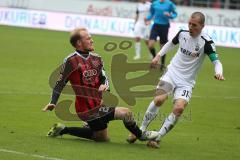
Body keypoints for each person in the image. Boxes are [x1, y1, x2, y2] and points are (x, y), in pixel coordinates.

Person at [42, 27, 159, 142]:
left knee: (126, 113)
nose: (92, 40)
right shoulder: (71, 61)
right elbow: (60, 83)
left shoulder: (96, 58)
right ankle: (64, 130)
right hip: (86, 110)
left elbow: (104, 78)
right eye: (88, 38)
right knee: (102, 138)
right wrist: (53, 102)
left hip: (99, 105)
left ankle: (140, 135)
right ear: (78, 43)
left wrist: (105, 88)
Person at [127, 12, 225, 148]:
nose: (190, 27)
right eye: (189, 23)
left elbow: (216, 62)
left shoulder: (206, 42)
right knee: (159, 99)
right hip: (171, 73)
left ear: (202, 26)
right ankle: (141, 131)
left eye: (194, 25)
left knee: (179, 108)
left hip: (186, 82)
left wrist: (218, 72)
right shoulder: (182, 33)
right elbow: (170, 44)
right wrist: (157, 56)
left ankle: (157, 138)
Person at [145, 0, 177, 70]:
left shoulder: (170, 4)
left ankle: (162, 64)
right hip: (155, 26)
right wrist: (147, 18)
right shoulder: (154, 3)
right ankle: (155, 59)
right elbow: (151, 13)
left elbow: (175, 14)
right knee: (150, 45)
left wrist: (170, 15)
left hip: (164, 26)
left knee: (163, 47)